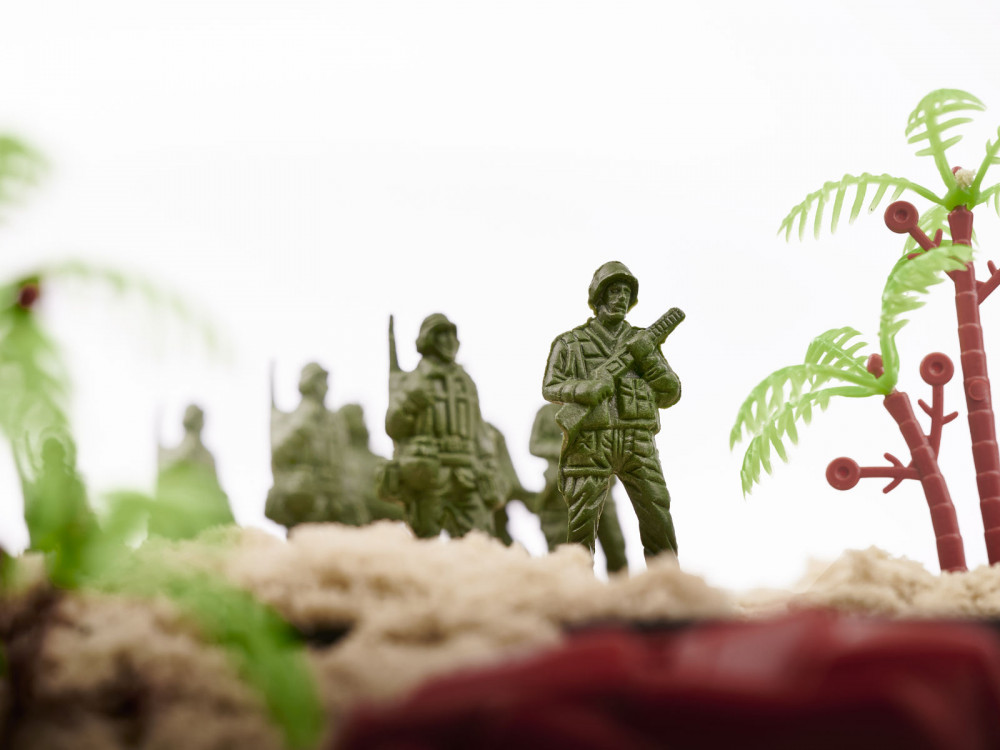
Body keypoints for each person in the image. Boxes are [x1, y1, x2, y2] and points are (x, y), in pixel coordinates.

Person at [543, 261, 682, 560]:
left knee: (658, 514)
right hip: (592, 442)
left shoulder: (643, 341)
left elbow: (670, 393)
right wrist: (584, 389)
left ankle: (667, 584)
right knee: (581, 524)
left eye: (626, 293)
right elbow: (550, 386)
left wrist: (648, 359)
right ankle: (575, 585)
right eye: (614, 291)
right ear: (600, 295)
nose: (621, 298)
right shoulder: (571, 343)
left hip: (638, 441)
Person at [382, 314, 501, 538]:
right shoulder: (412, 380)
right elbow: (393, 427)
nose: (449, 341)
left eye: (451, 335)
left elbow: (479, 430)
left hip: (468, 472)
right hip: (429, 472)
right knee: (425, 539)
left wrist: (489, 464)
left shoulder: (465, 381)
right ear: (429, 339)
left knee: (480, 538)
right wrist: (409, 404)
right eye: (441, 334)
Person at [266, 362, 369, 529]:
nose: (326, 387)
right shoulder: (292, 418)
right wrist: (304, 423)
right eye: (321, 382)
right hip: (303, 492)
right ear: (310, 383)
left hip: (335, 491)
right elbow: (279, 452)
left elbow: (342, 460)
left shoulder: (334, 421)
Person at [529, 403, 628, 572]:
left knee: (615, 542)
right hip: (564, 489)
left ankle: (622, 583)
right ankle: (574, 585)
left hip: (601, 484)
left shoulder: (603, 407)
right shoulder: (547, 412)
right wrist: (566, 449)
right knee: (567, 549)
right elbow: (535, 445)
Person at [154, 404, 234, 538]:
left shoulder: (206, 455)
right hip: (181, 516)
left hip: (206, 518)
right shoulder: (183, 452)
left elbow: (216, 490)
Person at [338, 402, 404, 522]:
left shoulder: (379, 462)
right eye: (354, 417)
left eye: (360, 417)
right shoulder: (339, 462)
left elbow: (397, 502)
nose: (360, 422)